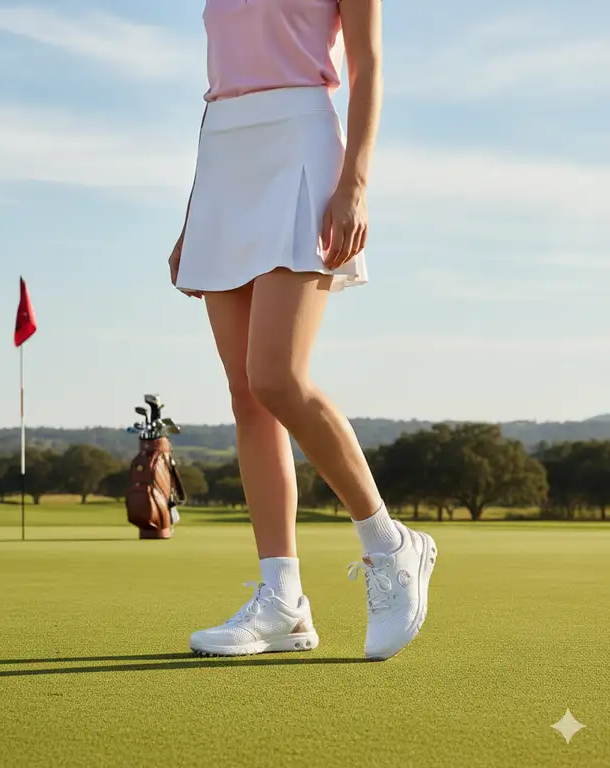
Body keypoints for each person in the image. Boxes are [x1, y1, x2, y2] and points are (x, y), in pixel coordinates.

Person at [168, 0, 437, 661]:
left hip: (302, 145)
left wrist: (356, 182)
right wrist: (192, 211)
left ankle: (389, 545)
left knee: (278, 377)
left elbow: (369, 64)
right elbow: (220, 84)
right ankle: (282, 600)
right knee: (246, 395)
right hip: (225, 154)